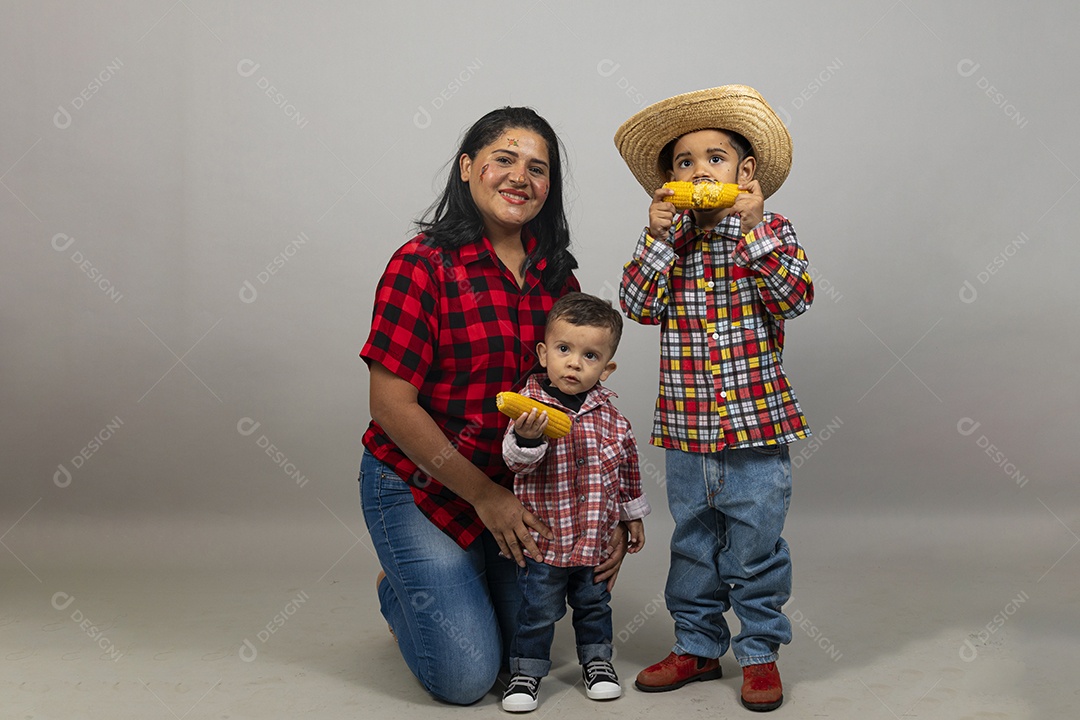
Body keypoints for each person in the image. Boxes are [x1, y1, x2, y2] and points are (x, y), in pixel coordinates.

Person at [358, 107, 628, 706]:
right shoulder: (420, 265)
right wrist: (483, 496)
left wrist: (606, 513)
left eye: (538, 168)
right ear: (467, 168)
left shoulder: (557, 276)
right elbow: (390, 405)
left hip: (520, 485)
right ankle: (396, 585)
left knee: (521, 659)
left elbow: (579, 398)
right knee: (467, 678)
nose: (519, 177)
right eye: (503, 159)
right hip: (422, 482)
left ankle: (467, 567)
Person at [614, 85, 814, 712]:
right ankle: (698, 646)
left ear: (746, 173)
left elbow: (795, 298)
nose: (700, 171)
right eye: (685, 162)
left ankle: (758, 653)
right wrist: (655, 239)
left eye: (715, 158)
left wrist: (754, 231)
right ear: (669, 182)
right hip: (686, 428)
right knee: (694, 545)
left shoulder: (771, 231)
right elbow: (636, 307)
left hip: (756, 425)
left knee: (755, 546)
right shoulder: (670, 244)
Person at [499, 292, 650, 712]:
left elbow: (628, 470)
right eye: (563, 349)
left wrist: (632, 516)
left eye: (590, 356)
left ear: (607, 368)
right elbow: (516, 463)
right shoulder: (529, 410)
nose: (574, 364)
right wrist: (528, 438)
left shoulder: (613, 419)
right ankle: (526, 672)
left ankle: (597, 663)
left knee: (594, 607)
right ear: (543, 354)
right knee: (537, 611)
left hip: (594, 541)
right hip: (546, 543)